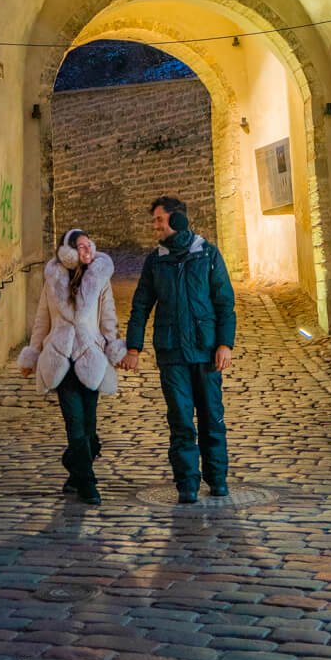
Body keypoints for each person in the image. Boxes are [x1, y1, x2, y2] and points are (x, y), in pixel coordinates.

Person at [121, 196, 236, 504]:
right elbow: (141, 305)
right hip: (172, 352)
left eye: (159, 220)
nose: (154, 226)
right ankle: (187, 483)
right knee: (181, 419)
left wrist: (225, 344)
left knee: (212, 417)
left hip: (206, 349)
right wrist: (133, 347)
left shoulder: (208, 254)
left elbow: (224, 301)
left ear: (176, 220)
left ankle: (218, 479)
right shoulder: (155, 260)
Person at [18, 227, 125, 505]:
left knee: (90, 430)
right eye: (80, 247)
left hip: (90, 356)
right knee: (75, 424)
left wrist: (115, 349)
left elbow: (108, 318)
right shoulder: (52, 279)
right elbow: (42, 320)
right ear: (67, 252)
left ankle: (74, 466)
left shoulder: (100, 278)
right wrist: (32, 353)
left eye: (89, 245)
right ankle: (88, 483)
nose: (87, 250)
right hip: (60, 358)